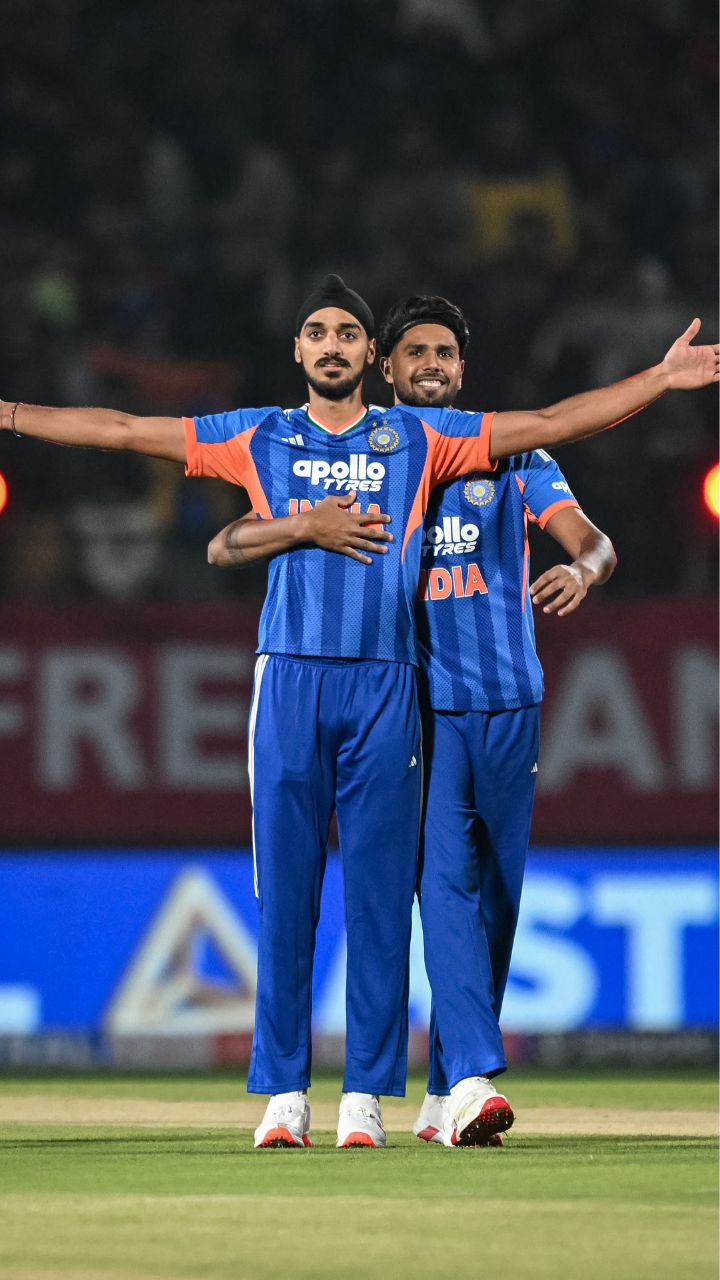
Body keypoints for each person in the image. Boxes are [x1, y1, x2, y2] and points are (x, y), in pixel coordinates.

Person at [2, 276, 717, 1150]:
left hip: (388, 685)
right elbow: (120, 430)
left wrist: (659, 380)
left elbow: (554, 422)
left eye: (347, 332)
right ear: (301, 351)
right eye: (318, 332)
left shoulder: (420, 437)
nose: (333, 344)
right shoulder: (258, 434)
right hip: (291, 679)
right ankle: (283, 1097)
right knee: (287, 899)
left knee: (380, 904)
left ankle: (366, 1101)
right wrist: (9, 414)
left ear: (365, 354)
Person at [211, 293, 617, 1149]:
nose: (432, 364)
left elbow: (588, 525)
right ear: (385, 368)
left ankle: (442, 1093)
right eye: (415, 352)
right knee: (439, 890)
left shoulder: (509, 454)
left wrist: (585, 567)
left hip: (507, 701)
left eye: (446, 354)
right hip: (417, 708)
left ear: (462, 369)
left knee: (492, 899)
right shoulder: (384, 454)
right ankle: (463, 1082)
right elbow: (234, 535)